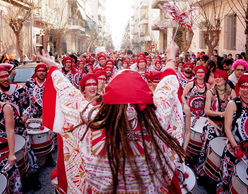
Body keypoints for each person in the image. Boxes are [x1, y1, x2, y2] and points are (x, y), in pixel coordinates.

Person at [39, 41, 188, 194]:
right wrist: (170, 56)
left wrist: (54, 68)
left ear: (108, 102)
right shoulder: (155, 121)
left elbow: (68, 94)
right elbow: (167, 90)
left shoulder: (92, 123)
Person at [197, 70, 236, 177]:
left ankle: (219, 174)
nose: (217, 79)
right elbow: (207, 111)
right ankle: (202, 171)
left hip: (227, 126)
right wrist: (223, 113)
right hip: (213, 124)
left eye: (220, 77)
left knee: (223, 152)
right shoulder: (211, 92)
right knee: (208, 148)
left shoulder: (231, 92)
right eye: (216, 77)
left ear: (225, 79)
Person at [217, 74, 248, 193]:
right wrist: (235, 147)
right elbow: (227, 129)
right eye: (243, 86)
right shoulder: (233, 104)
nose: (246, 89)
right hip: (233, 150)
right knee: (228, 181)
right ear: (239, 87)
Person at [23, 64, 56, 167]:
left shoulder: (50, 82)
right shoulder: (29, 83)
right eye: (39, 71)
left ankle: (49, 158)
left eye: (43, 70)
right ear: (36, 72)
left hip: (47, 114)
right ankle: (33, 161)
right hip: (33, 115)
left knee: (48, 137)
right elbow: (24, 99)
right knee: (34, 139)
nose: (41, 72)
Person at [0, 102, 22, 193]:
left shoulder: (5, 108)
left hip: (4, 151)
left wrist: (12, 153)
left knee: (12, 181)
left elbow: (10, 131)